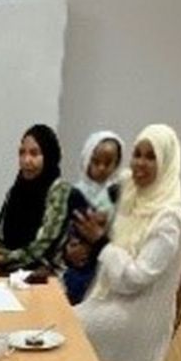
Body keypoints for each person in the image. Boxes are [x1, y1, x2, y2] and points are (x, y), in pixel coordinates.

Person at [79, 125, 181, 361]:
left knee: (69, 328)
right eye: (137, 154)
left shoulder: (168, 220)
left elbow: (133, 279)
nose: (140, 163)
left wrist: (102, 244)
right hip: (114, 300)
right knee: (62, 320)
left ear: (166, 163)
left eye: (151, 157)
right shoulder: (133, 199)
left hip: (138, 317)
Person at [0, 124, 72, 274]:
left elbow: (41, 246)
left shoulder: (59, 190)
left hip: (42, 274)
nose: (26, 160)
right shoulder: (16, 189)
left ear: (49, 155)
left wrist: (3, 259)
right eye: (22, 153)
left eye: (34, 154)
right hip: (8, 269)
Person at [59, 129, 124, 302]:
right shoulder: (75, 193)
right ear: (86, 160)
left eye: (108, 163)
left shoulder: (118, 193)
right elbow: (62, 229)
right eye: (96, 162)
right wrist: (67, 249)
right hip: (76, 264)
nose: (101, 168)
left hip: (105, 263)